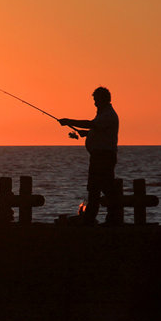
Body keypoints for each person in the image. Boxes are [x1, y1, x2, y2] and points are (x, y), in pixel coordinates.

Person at [59, 87, 119, 225]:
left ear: (103, 99)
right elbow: (97, 129)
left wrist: (69, 121)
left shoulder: (108, 115)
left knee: (103, 188)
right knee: (95, 188)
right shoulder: (103, 114)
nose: (95, 103)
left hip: (103, 157)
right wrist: (86, 133)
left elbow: (92, 124)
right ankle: (91, 218)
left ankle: (109, 218)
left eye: (96, 100)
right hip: (99, 156)